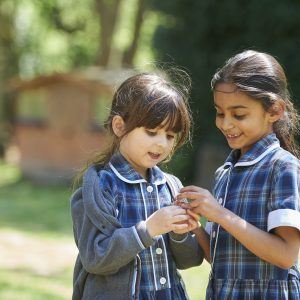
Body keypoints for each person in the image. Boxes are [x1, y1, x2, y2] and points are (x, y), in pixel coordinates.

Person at [177, 50, 300, 299]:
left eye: (239, 114)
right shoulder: (225, 173)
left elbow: (285, 255)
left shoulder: (283, 167)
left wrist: (220, 213)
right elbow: (222, 259)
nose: (225, 124)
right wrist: (195, 228)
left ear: (275, 111)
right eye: (220, 113)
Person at [71, 71, 204, 300]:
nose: (161, 143)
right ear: (119, 126)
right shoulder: (99, 187)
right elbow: (95, 258)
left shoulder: (171, 187)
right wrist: (149, 229)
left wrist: (181, 235)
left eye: (170, 135)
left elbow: (190, 261)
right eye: (151, 132)